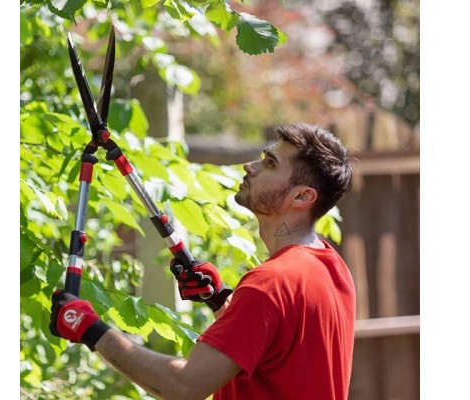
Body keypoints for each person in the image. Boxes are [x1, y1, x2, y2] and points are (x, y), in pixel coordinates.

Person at [50, 122, 356, 400]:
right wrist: (222, 299)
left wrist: (88, 328)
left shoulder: (271, 283)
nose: (250, 167)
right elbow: (282, 355)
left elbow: (183, 386)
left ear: (302, 197)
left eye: (270, 164)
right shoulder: (331, 267)